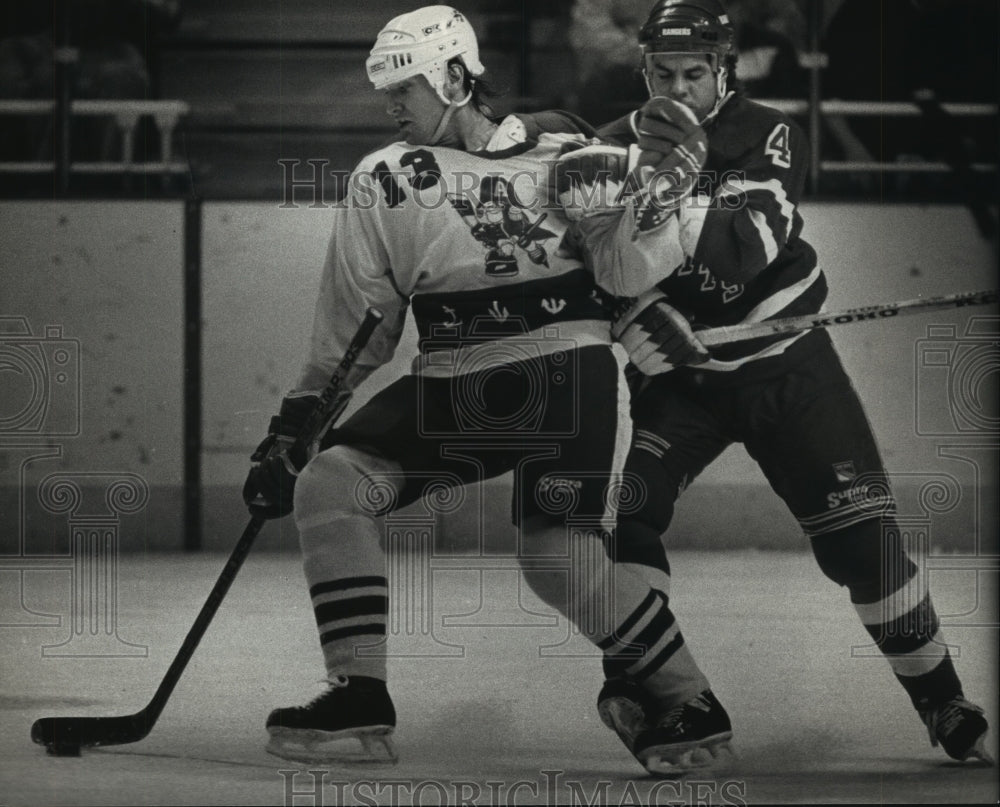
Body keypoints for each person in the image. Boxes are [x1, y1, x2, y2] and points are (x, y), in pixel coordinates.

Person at [242, 4, 715, 766]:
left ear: (457, 77)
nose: (391, 105)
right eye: (385, 92)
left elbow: (630, 265)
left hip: (566, 370)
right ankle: (359, 696)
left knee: (557, 558)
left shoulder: (572, 148)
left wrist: (657, 243)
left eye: (406, 87)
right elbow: (356, 326)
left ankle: (690, 703)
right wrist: (296, 423)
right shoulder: (382, 180)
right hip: (458, 375)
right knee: (332, 481)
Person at [573, 0, 994, 776]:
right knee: (629, 512)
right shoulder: (607, 149)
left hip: (788, 367)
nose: (678, 87)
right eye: (662, 73)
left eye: (695, 73)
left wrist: (667, 185)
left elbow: (743, 252)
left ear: (722, 70)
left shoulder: (769, 130)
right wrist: (634, 307)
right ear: (643, 71)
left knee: (862, 543)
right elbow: (585, 269)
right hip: (684, 385)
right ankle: (645, 681)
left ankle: (940, 695)